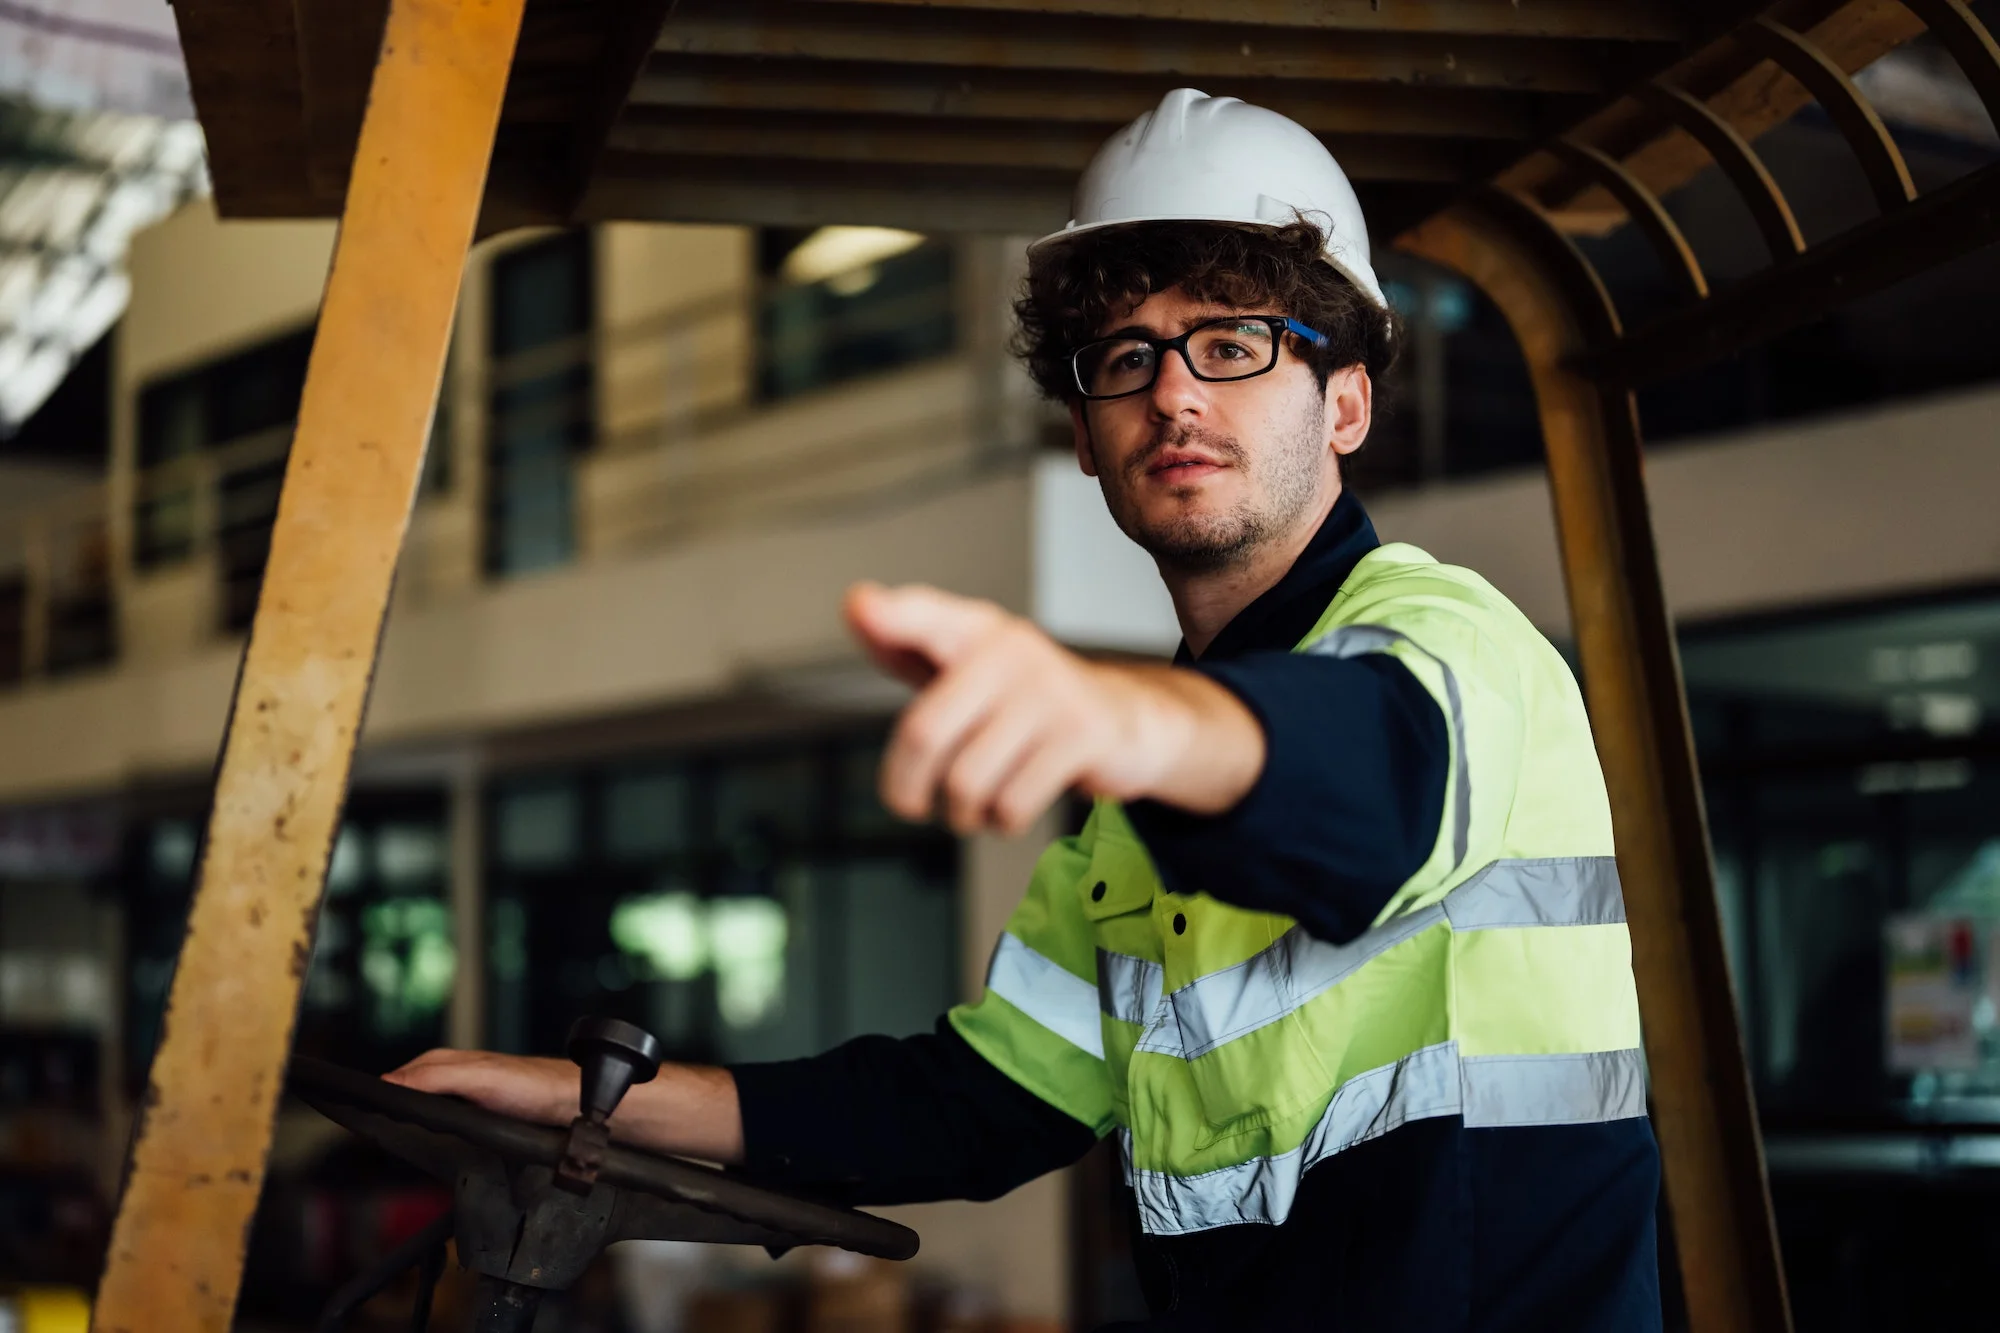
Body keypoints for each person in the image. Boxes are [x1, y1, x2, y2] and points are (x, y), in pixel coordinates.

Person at [390, 89, 1663, 1331]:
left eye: (1231, 345)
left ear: (1344, 403)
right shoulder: (1131, 827)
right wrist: (593, 1103)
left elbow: (1371, 779)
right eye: (1126, 359)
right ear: (1083, 435)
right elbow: (979, 1098)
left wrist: (1129, 718)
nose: (1173, 394)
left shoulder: (1450, 644)